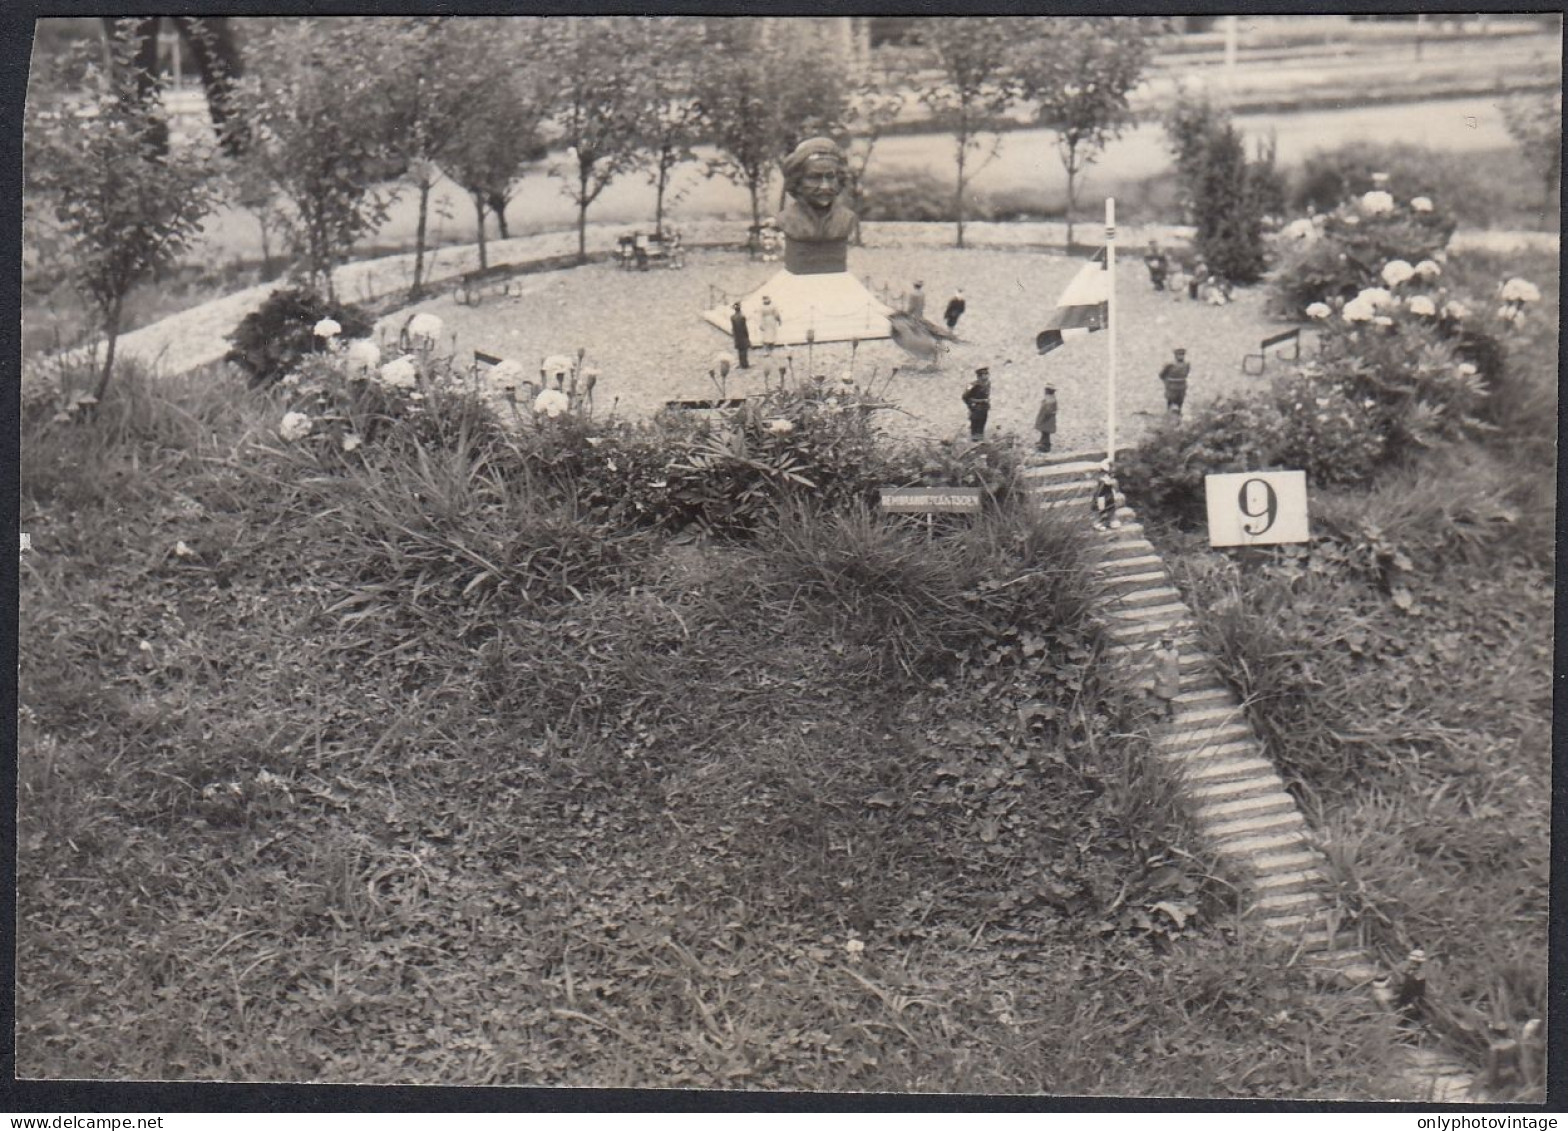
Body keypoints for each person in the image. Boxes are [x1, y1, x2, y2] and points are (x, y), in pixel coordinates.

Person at [1150, 636, 1181, 721]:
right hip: (1163, 679)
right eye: (1167, 643)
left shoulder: (1175, 653)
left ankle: (1169, 713)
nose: (1169, 644)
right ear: (1163, 644)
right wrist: (1161, 678)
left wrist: (1176, 677)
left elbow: (1177, 665)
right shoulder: (1158, 654)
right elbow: (1156, 669)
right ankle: (1159, 715)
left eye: (1170, 642)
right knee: (1161, 697)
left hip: (1172, 678)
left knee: (1169, 697)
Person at [1091, 461, 1123, 530]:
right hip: (1101, 497)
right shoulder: (1102, 480)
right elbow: (1099, 491)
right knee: (1101, 509)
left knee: (1111, 508)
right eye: (1111, 473)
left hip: (1109, 496)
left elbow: (1116, 488)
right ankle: (1098, 522)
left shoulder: (1112, 480)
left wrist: (1114, 485)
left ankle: (1111, 520)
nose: (1113, 475)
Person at [961, 367, 991, 442]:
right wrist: (971, 406)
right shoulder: (973, 385)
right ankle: (974, 443)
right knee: (975, 426)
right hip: (976, 408)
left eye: (987, 374)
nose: (987, 376)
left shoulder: (988, 384)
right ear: (979, 376)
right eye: (985, 374)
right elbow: (965, 397)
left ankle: (981, 442)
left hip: (984, 408)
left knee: (982, 425)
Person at [1159, 348, 1190, 418]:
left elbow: (1186, 374)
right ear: (1175, 356)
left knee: (1179, 404)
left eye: (1182, 355)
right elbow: (1162, 375)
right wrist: (1167, 382)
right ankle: (1169, 417)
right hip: (1172, 388)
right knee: (1170, 403)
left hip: (1181, 388)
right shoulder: (1170, 365)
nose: (1180, 356)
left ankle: (1178, 418)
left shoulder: (1187, 365)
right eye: (1179, 355)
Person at [1034, 384, 1058, 453]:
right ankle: (1044, 444)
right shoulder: (1050, 399)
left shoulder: (1050, 399)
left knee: (1045, 434)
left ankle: (1045, 446)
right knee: (1045, 433)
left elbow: (1049, 410)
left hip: (1047, 420)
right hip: (1047, 420)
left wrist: (1043, 418)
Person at [730, 303, 751, 369]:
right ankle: (745, 364)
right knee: (744, 349)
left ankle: (741, 363)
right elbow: (745, 327)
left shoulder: (732, 317)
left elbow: (733, 327)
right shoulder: (742, 317)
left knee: (739, 349)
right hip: (742, 335)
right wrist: (747, 336)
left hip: (737, 335)